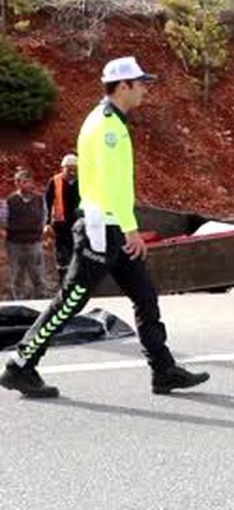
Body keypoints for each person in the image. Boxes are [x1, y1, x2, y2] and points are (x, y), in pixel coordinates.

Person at [1, 56, 209, 399]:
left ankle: (163, 370)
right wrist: (130, 230)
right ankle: (20, 366)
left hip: (110, 227)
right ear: (123, 86)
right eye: (140, 83)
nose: (145, 88)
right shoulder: (109, 125)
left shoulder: (104, 119)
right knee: (69, 302)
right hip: (104, 229)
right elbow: (114, 186)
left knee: (144, 296)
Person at [5, 169, 48, 300]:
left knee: (38, 275)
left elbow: (44, 218)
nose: (27, 185)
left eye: (29, 182)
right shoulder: (10, 201)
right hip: (15, 244)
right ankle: (19, 302)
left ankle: (41, 302)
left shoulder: (39, 199)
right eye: (23, 182)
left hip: (35, 242)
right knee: (17, 276)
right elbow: (4, 221)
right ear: (17, 183)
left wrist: (42, 230)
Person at [43, 153, 81, 285]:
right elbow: (47, 203)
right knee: (62, 254)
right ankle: (63, 283)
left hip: (79, 223)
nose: (72, 171)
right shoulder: (55, 182)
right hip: (61, 224)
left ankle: (76, 281)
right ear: (62, 168)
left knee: (78, 252)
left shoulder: (84, 182)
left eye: (75, 168)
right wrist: (46, 223)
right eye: (69, 168)